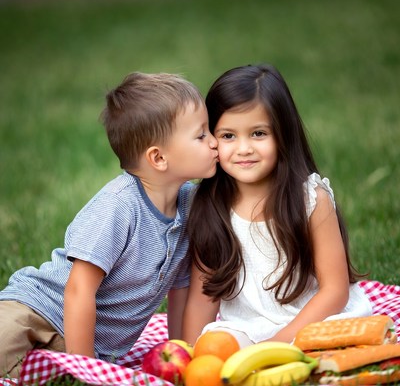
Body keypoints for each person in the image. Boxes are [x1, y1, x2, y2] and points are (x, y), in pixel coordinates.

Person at [0, 71, 218, 377]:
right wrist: (87, 370)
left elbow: (179, 291)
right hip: (35, 310)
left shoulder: (191, 208)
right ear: (158, 158)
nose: (214, 142)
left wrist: (180, 356)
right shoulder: (119, 206)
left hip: (79, 341)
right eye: (201, 135)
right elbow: (78, 289)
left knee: (33, 375)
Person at [182, 64, 373, 348]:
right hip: (248, 328)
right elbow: (203, 297)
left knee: (336, 345)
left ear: (283, 134)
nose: (244, 148)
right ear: (210, 138)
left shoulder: (311, 199)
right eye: (228, 136)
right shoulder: (208, 204)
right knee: (215, 345)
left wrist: (280, 342)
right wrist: (189, 354)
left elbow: (334, 291)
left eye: (258, 134)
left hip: (316, 319)